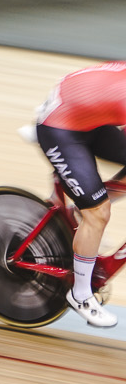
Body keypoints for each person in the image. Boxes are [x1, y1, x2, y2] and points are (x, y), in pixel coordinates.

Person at [31, 62, 126, 327]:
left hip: (88, 116)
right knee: (99, 213)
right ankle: (80, 294)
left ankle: (79, 208)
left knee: (91, 206)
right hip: (59, 130)